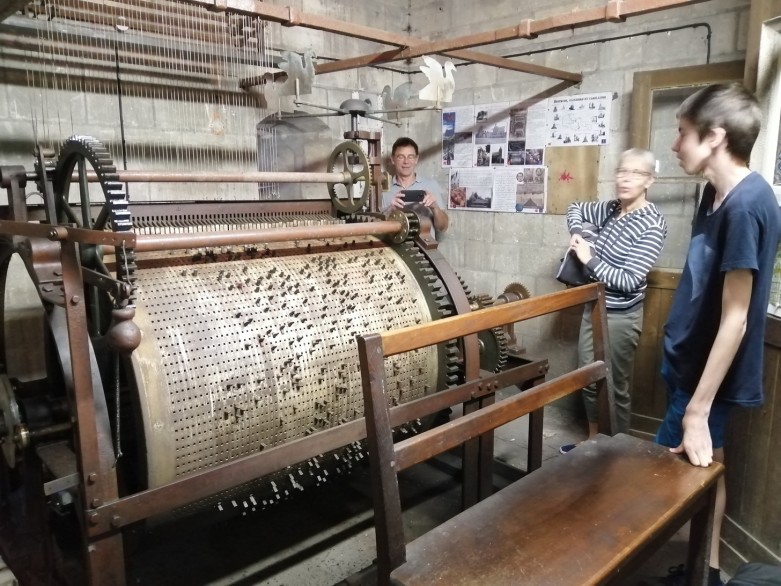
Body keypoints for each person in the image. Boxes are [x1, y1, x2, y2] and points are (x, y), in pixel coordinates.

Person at [646, 84, 781, 586]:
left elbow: (737, 319)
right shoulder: (714, 191)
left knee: (668, 476)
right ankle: (708, 569)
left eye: (682, 133)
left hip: (707, 380)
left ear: (715, 137)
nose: (675, 143)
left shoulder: (748, 205)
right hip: (689, 362)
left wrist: (699, 408)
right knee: (708, 466)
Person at [560, 148, 667, 452]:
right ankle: (594, 444)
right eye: (622, 171)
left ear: (649, 181)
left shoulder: (651, 224)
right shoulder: (612, 208)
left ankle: (615, 455)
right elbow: (575, 207)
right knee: (590, 380)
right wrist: (579, 233)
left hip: (620, 317)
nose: (626, 178)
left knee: (614, 388)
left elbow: (629, 280)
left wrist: (589, 259)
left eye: (636, 173)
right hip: (593, 309)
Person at [382, 137, 449, 233]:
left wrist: (435, 207)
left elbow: (443, 227)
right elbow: (377, 230)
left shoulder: (431, 185)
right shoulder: (383, 190)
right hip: (393, 247)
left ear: (416, 159)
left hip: (424, 247)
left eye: (410, 157)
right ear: (393, 160)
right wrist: (390, 210)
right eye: (401, 157)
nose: (406, 162)